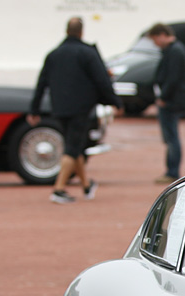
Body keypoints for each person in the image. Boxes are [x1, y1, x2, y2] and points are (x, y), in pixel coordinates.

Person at [28, 16, 122, 204]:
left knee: (75, 145)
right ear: (81, 32)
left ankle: (87, 185)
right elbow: (101, 80)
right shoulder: (87, 53)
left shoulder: (53, 54)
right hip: (81, 107)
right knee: (72, 148)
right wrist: (115, 102)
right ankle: (59, 189)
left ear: (66, 31)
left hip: (59, 107)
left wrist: (34, 109)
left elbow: (41, 83)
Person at [147, 23, 185, 184]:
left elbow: (173, 78)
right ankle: (171, 169)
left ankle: (172, 171)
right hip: (172, 99)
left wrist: (163, 96)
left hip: (171, 101)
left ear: (161, 35)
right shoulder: (175, 50)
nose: (155, 44)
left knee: (171, 137)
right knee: (170, 136)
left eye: (155, 40)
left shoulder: (174, 51)